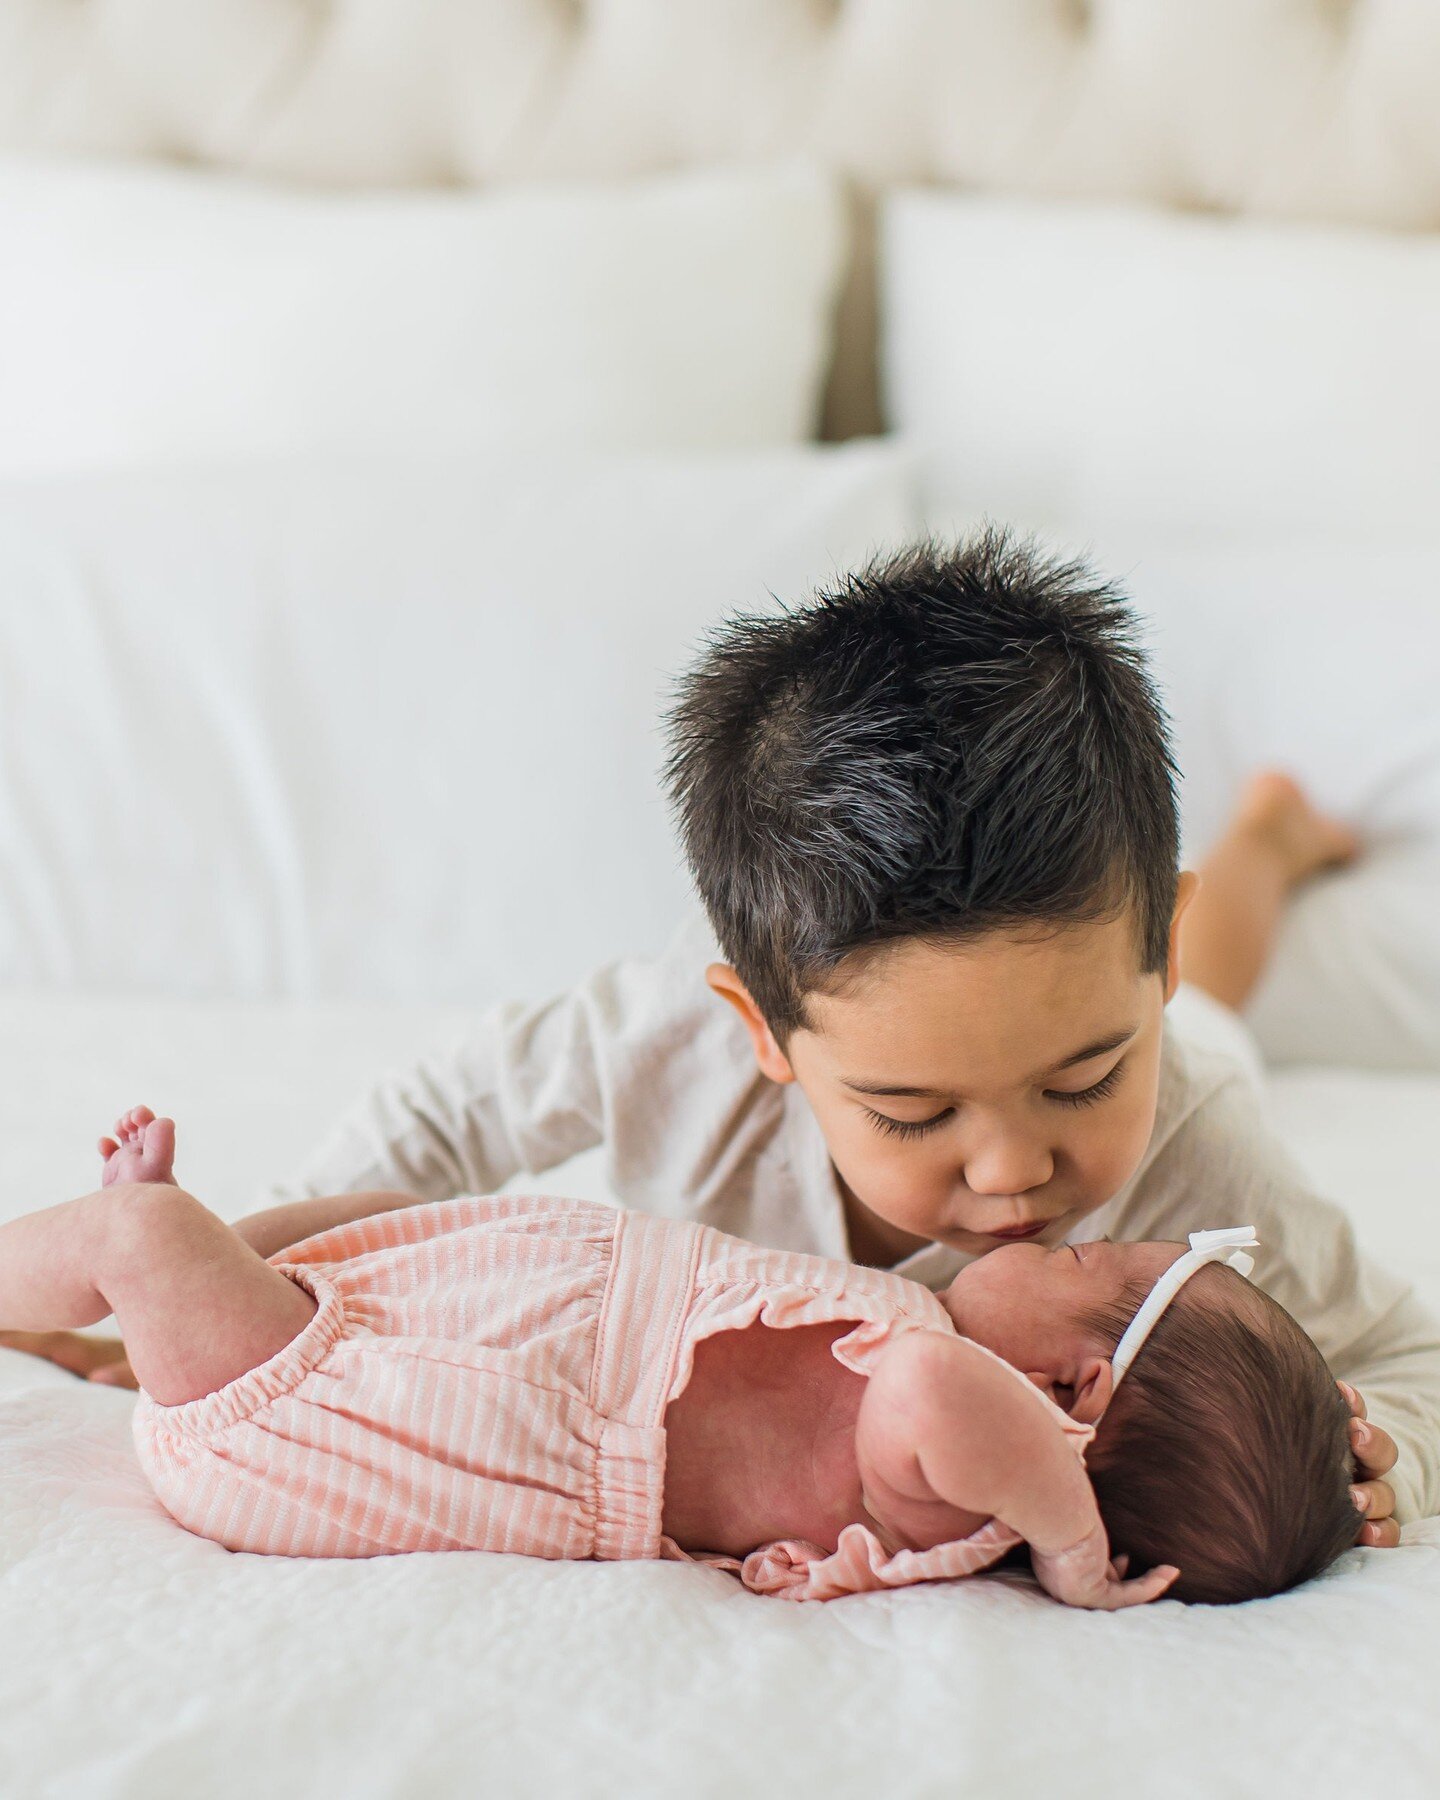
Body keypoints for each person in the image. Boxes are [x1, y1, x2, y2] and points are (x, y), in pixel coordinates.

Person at [3, 533, 1425, 1542]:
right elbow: (444, 1119)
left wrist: (1390, 1462)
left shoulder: (1198, 1173)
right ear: (767, 1035)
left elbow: (1412, 1358)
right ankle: (1258, 852)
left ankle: (1262, 844)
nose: (1010, 1171)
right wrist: (290, 1296)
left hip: (1202, 1030)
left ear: (1142, 973)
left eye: (1082, 1080)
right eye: (917, 1114)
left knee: (1223, 1024)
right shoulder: (664, 1050)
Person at [0, 1110, 1357, 1606]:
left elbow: (944, 1397)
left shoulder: (952, 1459)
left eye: (1090, 1270)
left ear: (1068, 1394)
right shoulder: (953, 1378)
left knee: (147, 1238)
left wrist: (1071, 1537)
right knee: (320, 1234)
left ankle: (126, 1259)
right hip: (461, 1307)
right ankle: (159, 1276)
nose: (1067, 1237)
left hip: (369, 1419)